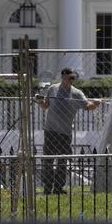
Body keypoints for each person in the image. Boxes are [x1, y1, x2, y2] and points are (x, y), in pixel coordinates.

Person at [36, 67, 101, 195]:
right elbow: (45, 106)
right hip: (50, 130)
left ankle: (58, 188)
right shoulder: (53, 89)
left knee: (63, 161)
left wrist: (95, 103)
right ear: (63, 77)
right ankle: (47, 187)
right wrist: (39, 102)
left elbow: (87, 106)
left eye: (73, 78)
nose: (72, 80)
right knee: (48, 160)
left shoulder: (77, 93)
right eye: (70, 77)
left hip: (65, 133)